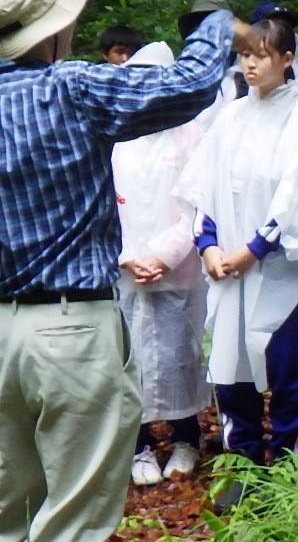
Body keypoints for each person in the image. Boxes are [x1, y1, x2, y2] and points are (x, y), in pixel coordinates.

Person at [0, 0, 233, 541]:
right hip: (73, 327)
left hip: (2, 329)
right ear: (57, 25)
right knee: (74, 518)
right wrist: (218, 23)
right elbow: (188, 84)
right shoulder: (71, 88)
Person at [180, 20, 298, 500]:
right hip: (227, 267)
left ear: (287, 59)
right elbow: (204, 187)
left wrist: (252, 249)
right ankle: (241, 465)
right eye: (244, 54)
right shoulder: (230, 116)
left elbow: (294, 197)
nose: (250, 63)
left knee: (286, 373)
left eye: (261, 54)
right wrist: (208, 245)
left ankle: (287, 472)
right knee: (231, 368)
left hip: (280, 269)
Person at [111, 41, 216, 487]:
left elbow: (197, 205)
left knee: (180, 353)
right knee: (128, 356)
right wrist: (129, 256)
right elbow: (103, 205)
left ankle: (186, 437)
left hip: (180, 267)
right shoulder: (114, 137)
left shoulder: (191, 134)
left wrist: (165, 254)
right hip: (128, 268)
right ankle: (137, 445)